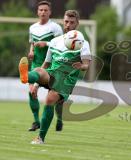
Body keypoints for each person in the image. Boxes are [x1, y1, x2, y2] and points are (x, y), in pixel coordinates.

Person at [19, 10, 91, 144]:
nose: (68, 25)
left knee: (49, 99)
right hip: (52, 72)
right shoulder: (55, 41)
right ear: (63, 22)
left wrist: (81, 66)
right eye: (66, 22)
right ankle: (26, 76)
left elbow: (86, 65)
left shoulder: (83, 43)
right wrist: (36, 85)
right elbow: (46, 64)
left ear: (77, 24)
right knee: (39, 69)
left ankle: (40, 138)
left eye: (72, 22)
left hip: (66, 78)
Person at [27, 1, 64, 131]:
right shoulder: (32, 28)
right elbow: (32, 43)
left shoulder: (55, 27)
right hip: (36, 63)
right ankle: (36, 121)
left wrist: (46, 43)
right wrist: (31, 51)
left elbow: (61, 45)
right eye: (41, 10)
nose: (43, 12)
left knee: (54, 96)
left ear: (50, 12)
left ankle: (59, 119)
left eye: (45, 10)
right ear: (37, 12)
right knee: (31, 92)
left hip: (51, 64)